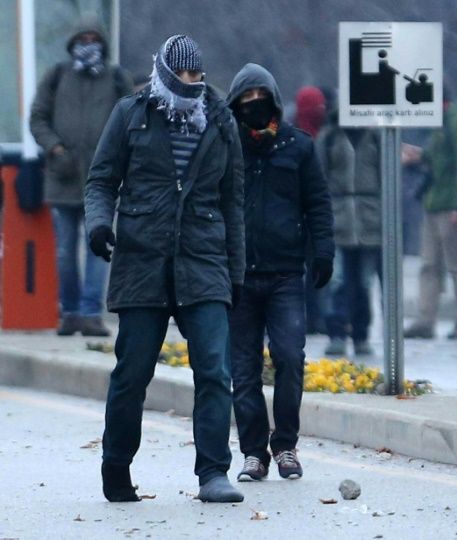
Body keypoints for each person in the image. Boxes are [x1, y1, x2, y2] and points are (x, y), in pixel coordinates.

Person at [85, 35, 245, 503]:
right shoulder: (130, 113)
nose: (194, 84)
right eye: (186, 76)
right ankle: (116, 466)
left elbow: (232, 200)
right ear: (167, 73)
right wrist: (98, 224)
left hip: (204, 260)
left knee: (215, 372)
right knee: (132, 373)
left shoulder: (219, 119)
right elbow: (101, 179)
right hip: (141, 259)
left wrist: (234, 272)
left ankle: (214, 472)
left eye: (199, 75)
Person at [226, 65, 334, 482]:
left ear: (273, 100)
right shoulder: (227, 146)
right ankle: (254, 452)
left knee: (290, 358)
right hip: (239, 274)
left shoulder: (298, 146)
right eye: (245, 101)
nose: (254, 107)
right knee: (243, 369)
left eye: (260, 99)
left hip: (287, 273)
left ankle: (285, 444)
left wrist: (323, 250)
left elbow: (318, 204)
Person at [30, 17, 133, 336]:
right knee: (64, 252)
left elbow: (133, 117)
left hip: (101, 183)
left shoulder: (116, 78)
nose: (89, 44)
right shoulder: (57, 75)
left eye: (94, 38)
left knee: (98, 249)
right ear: (74, 41)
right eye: (83, 38)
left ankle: (91, 313)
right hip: (62, 178)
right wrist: (56, 149)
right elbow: (38, 118)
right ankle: (70, 311)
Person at [404, 93, 457, 340]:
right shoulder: (439, 122)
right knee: (429, 265)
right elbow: (441, 159)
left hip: (450, 206)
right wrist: (421, 156)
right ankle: (426, 319)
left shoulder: (455, 122)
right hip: (434, 202)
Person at [317, 110, 382, 357]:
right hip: (338, 218)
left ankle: (361, 335)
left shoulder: (376, 137)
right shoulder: (330, 137)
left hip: (370, 220)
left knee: (364, 283)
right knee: (337, 282)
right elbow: (320, 178)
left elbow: (387, 180)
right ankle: (336, 334)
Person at [295, 86, 331, 335]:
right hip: (296, 215)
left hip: (312, 214)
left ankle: (317, 317)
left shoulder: (328, 136)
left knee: (316, 270)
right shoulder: (294, 138)